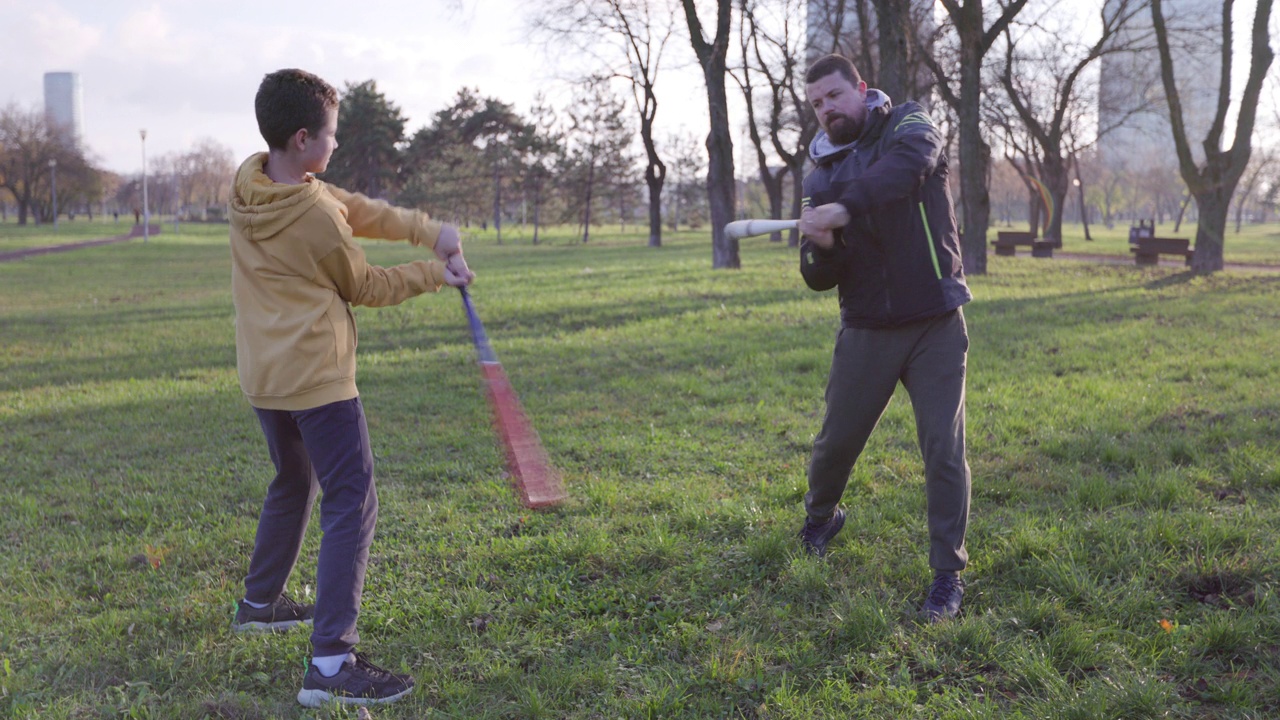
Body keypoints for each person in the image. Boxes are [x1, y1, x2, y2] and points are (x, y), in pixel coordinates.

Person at [227, 68, 475, 707]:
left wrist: (428, 229)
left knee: (292, 480)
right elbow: (363, 287)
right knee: (351, 499)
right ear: (304, 137)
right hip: (317, 379)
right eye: (331, 135)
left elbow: (351, 207)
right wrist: (434, 274)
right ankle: (331, 665)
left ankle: (259, 604)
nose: (335, 145)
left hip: (265, 377)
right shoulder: (311, 214)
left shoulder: (252, 181)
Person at [795, 54, 973, 623]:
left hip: (934, 321)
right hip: (866, 328)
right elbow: (817, 278)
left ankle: (947, 575)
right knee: (834, 447)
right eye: (817, 103)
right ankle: (822, 518)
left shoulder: (910, 125)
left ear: (861, 90)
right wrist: (821, 245)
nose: (826, 109)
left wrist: (842, 209)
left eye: (833, 96)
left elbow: (908, 168)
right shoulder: (816, 176)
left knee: (943, 451)